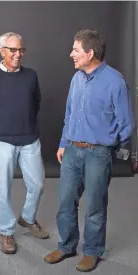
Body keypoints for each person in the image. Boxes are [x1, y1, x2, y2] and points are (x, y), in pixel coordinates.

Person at [44, 29, 135, 272]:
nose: (71, 54)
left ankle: (92, 251)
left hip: (98, 153)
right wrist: (64, 143)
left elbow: (126, 124)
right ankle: (66, 246)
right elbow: (70, 115)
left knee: (94, 206)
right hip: (72, 150)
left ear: (90, 52)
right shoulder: (77, 79)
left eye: (76, 49)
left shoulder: (115, 81)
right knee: (65, 202)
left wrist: (110, 148)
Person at [0, 32, 49, 254]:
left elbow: (35, 103)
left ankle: (28, 218)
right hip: (2, 141)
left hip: (30, 139)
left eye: (21, 50)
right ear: (1, 51)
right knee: (4, 189)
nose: (18, 54)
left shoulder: (31, 76)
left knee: (38, 184)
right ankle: (6, 232)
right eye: (13, 50)